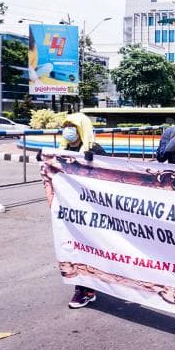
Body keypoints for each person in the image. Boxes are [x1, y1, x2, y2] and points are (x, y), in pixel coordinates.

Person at [60, 113, 107, 309]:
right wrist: (43, 159)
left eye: (72, 125)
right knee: (73, 248)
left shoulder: (94, 149)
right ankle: (84, 286)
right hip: (70, 211)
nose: (69, 129)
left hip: (90, 210)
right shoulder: (61, 150)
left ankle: (86, 289)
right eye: (67, 125)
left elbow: (108, 174)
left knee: (90, 248)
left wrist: (95, 160)